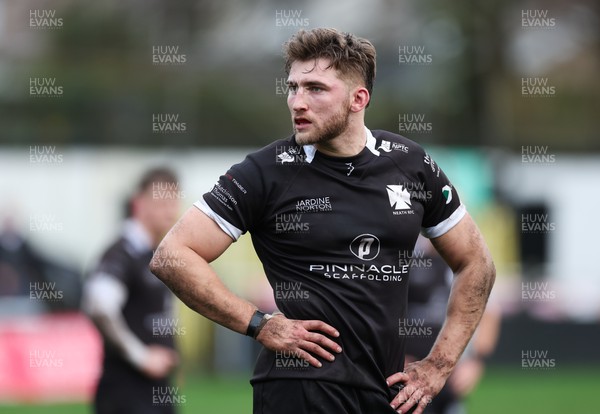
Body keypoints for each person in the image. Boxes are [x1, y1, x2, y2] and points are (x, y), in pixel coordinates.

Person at [150, 28, 496, 414]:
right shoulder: (264, 172)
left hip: (389, 394)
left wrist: (439, 365)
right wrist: (260, 324)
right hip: (298, 390)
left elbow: (476, 263)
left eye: (315, 88)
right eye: (292, 87)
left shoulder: (410, 165)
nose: (298, 102)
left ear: (357, 98)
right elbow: (171, 255)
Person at [83, 168, 181, 414]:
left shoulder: (153, 254)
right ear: (139, 203)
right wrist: (141, 357)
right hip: (125, 392)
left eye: (174, 202)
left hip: (154, 389)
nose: (170, 211)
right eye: (162, 203)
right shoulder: (121, 253)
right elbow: (99, 308)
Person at [404, 236, 501, 414]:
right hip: (406, 374)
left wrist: (476, 361)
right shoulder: (405, 257)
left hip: (448, 374)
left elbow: (490, 312)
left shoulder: (465, 264)